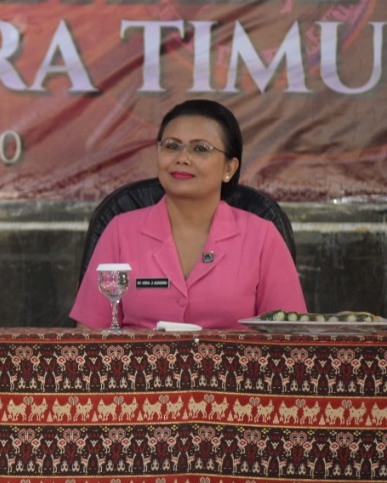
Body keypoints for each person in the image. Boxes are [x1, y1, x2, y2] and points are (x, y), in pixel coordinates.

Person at [70, 100, 306, 329]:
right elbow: (91, 338)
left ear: (229, 168)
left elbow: (288, 339)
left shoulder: (262, 236)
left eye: (200, 149)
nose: (181, 158)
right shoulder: (120, 231)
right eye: (172, 146)